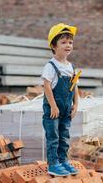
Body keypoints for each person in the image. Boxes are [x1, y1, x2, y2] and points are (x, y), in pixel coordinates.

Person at [41, 23, 79, 176]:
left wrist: (76, 104)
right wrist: (53, 106)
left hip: (66, 109)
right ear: (54, 46)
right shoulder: (51, 66)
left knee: (64, 136)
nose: (68, 45)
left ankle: (63, 161)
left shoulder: (70, 67)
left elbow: (74, 86)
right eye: (63, 42)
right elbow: (47, 86)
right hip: (53, 110)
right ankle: (53, 164)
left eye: (70, 42)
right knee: (53, 136)